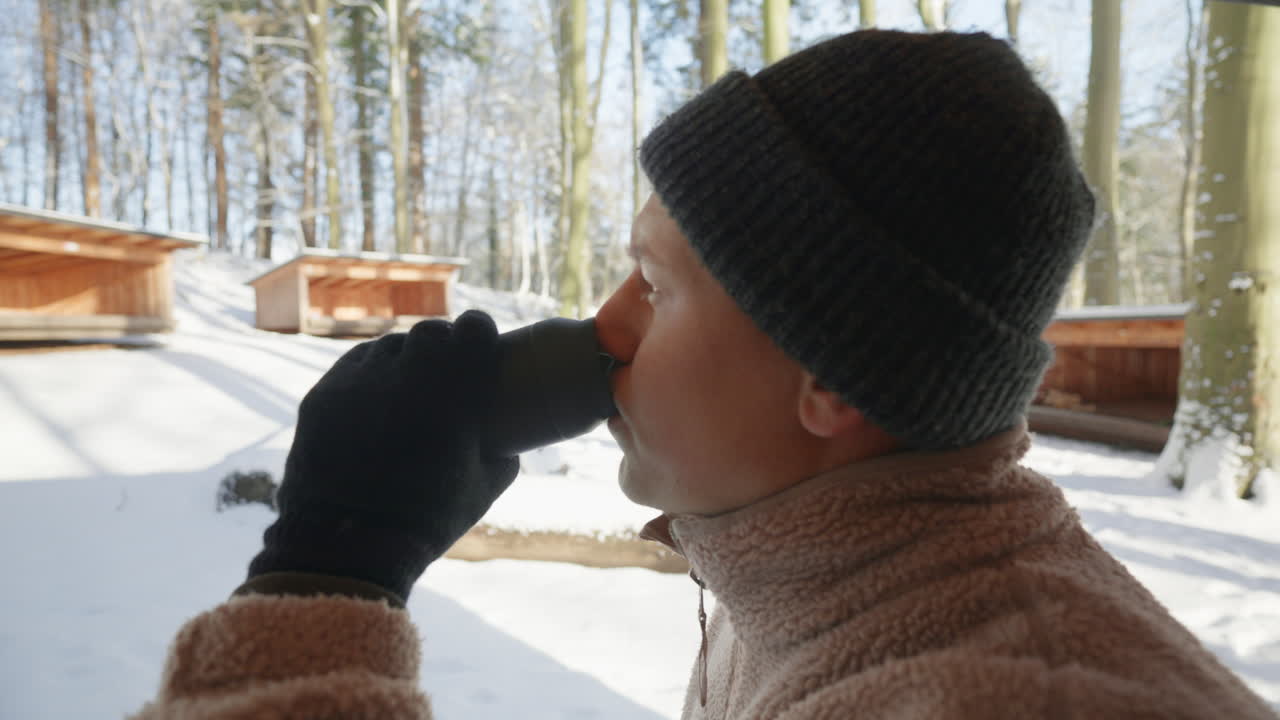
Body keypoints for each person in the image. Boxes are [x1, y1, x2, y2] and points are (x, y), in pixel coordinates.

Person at [133, 29, 1277, 720]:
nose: (606, 330)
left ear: (832, 372)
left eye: (653, 285)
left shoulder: (1013, 700)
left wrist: (327, 584)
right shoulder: (810, 578)